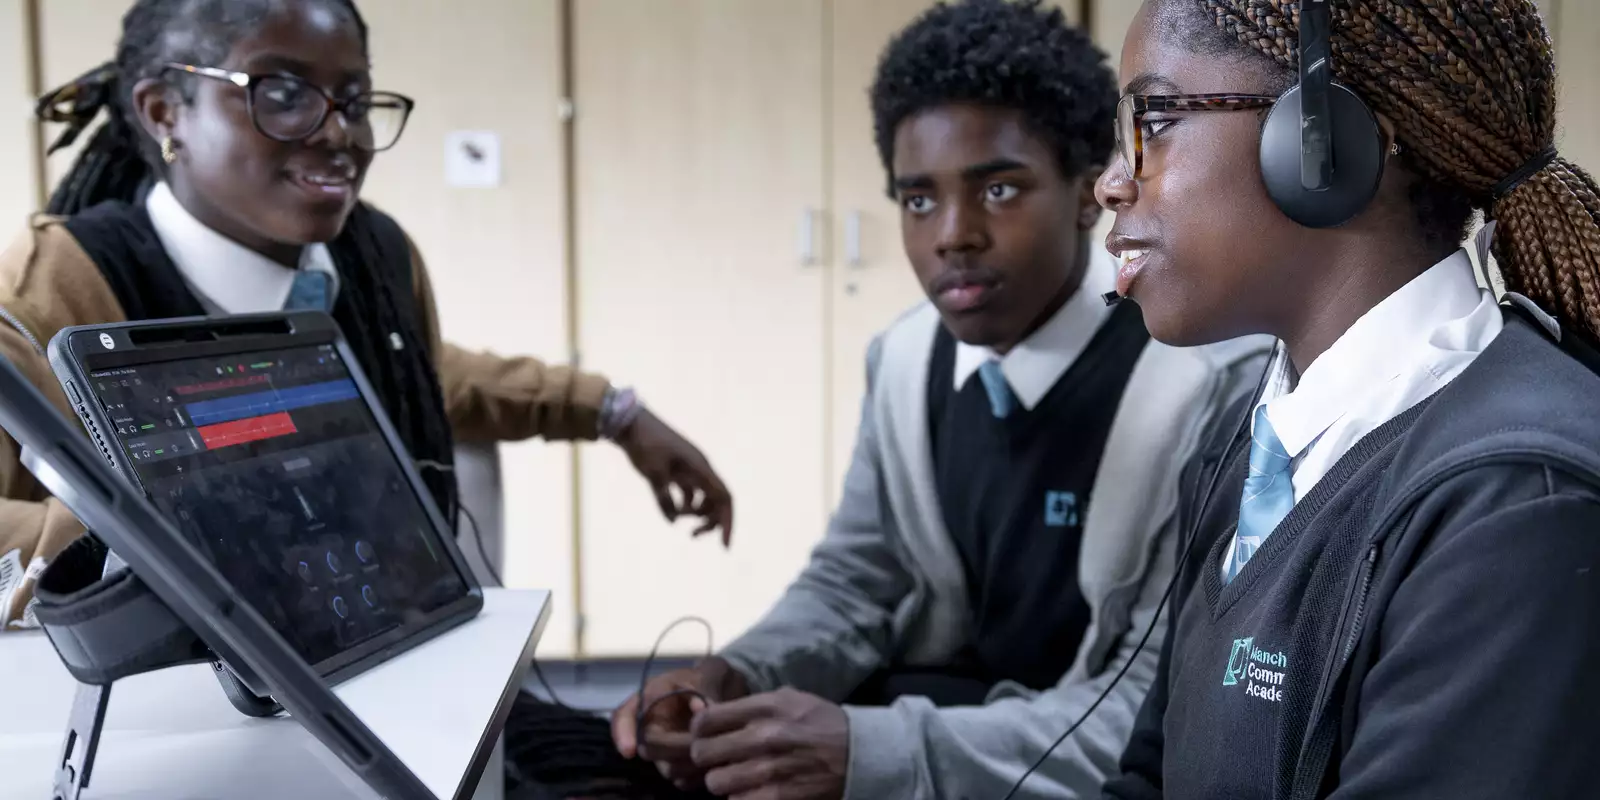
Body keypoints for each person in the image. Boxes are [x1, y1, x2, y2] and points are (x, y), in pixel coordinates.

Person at [0, 0, 730, 795]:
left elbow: (424, 375)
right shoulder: (50, 292)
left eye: (355, 99)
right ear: (164, 108)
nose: (340, 133)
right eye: (282, 92)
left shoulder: (373, 254)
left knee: (665, 781)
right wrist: (181, 529)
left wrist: (614, 412)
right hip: (209, 742)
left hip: (411, 676)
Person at [609, 2, 1269, 798]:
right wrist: (739, 671)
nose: (952, 234)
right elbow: (855, 581)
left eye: (998, 189)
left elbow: (1149, 716)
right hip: (936, 725)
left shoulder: (1203, 382)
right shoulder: (903, 360)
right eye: (918, 200)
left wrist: (872, 752)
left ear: (1090, 193)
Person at [1096, 1, 1600, 798]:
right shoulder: (1251, 446)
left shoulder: (1518, 505)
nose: (1111, 182)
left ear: (1325, 139)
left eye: (1152, 119)